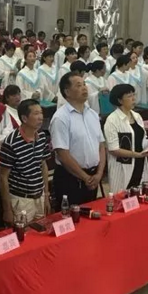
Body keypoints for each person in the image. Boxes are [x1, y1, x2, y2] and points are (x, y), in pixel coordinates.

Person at [50, 72, 106, 209]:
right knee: (71, 220)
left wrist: (99, 174)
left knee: (91, 217)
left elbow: (101, 146)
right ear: (67, 92)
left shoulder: (92, 114)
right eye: (79, 85)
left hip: (93, 176)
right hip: (70, 178)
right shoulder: (61, 118)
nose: (84, 88)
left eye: (85, 84)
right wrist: (84, 177)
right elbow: (63, 154)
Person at [0, 99, 51, 224]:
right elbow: (3, 177)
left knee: (41, 235)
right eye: (36, 114)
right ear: (24, 118)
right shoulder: (11, 142)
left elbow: (43, 166)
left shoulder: (42, 136)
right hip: (21, 200)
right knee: (24, 237)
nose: (40, 117)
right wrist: (7, 209)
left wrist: (46, 195)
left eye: (41, 113)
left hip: (40, 196)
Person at [104, 84, 148, 192]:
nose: (133, 98)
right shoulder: (112, 120)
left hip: (140, 162)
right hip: (123, 166)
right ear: (120, 100)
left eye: (133, 95)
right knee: (123, 197)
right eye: (129, 96)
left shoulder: (137, 116)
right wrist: (137, 155)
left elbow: (143, 138)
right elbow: (113, 149)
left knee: (141, 195)